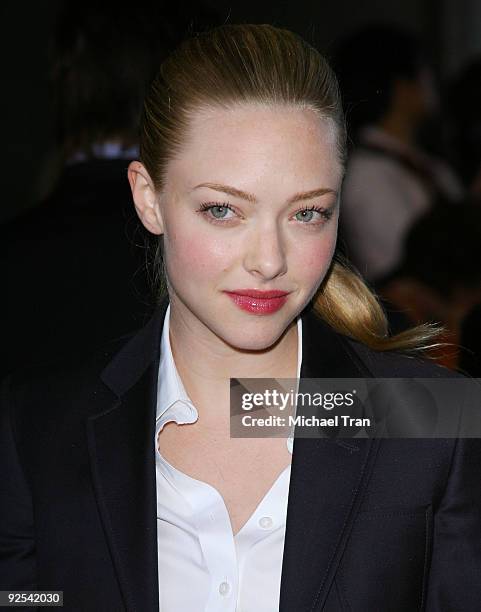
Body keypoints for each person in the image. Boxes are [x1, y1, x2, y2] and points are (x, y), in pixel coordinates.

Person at [1, 24, 480, 612]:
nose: (270, 260)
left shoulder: (434, 420)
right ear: (148, 197)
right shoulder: (39, 429)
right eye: (223, 209)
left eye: (307, 214)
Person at [333, 25, 463, 284]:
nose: (432, 85)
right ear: (401, 86)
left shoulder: (427, 163)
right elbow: (411, 270)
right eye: (423, 72)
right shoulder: (366, 174)